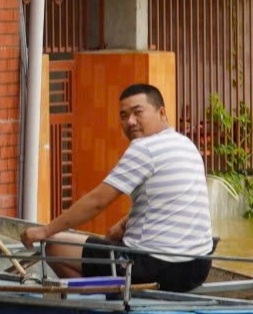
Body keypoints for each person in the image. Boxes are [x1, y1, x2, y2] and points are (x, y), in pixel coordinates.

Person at [18, 84, 216, 292]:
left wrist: (45, 230)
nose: (130, 122)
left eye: (138, 112)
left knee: (54, 246)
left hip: (156, 265)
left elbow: (97, 202)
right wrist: (122, 226)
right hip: (198, 267)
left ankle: (97, 301)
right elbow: (166, 202)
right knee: (109, 239)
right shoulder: (186, 144)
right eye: (124, 115)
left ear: (162, 112)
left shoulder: (145, 147)